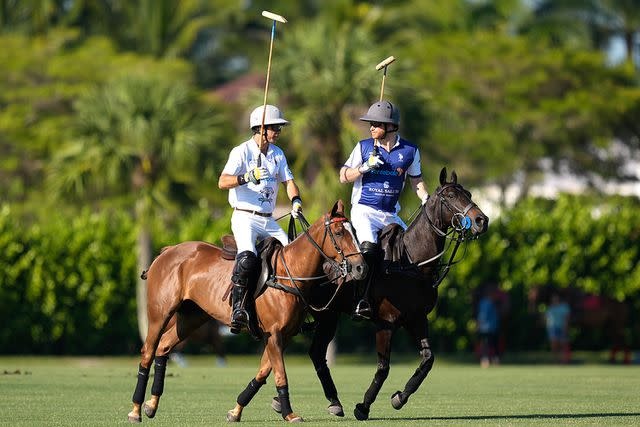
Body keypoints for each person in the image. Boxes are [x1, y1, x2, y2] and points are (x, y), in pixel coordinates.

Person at [339, 100, 429, 319]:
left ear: (390, 126)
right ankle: (362, 300)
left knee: (412, 251)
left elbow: (415, 180)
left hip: (390, 214)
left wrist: (426, 198)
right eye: (371, 123)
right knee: (369, 250)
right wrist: (364, 167)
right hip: (364, 211)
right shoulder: (364, 147)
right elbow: (343, 176)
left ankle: (409, 298)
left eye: (376, 124)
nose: (371, 127)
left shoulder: (410, 151)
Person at [218, 104, 303, 334]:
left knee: (294, 258)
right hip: (245, 217)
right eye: (275, 128)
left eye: (279, 128)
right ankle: (239, 309)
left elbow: (288, 182)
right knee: (247, 258)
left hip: (269, 219)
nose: (279, 132)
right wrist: (247, 176)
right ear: (260, 129)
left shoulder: (278, 154)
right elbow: (223, 181)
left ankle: (298, 312)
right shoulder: (241, 152)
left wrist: (295, 200)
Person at [545, 292, 571, 363]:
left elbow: (567, 318)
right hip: (553, 328)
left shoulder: (564, 307)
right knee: (554, 344)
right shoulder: (550, 308)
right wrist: (548, 328)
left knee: (563, 344)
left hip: (562, 327)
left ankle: (565, 360)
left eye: (556, 298)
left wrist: (565, 327)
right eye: (553, 298)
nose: (555, 299)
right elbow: (548, 319)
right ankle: (555, 360)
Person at [476, 287, 500, 368]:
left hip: (491, 327)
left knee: (490, 344)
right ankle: (486, 360)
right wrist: (479, 325)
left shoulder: (490, 302)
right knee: (487, 345)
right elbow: (482, 315)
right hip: (486, 328)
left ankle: (492, 360)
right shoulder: (486, 302)